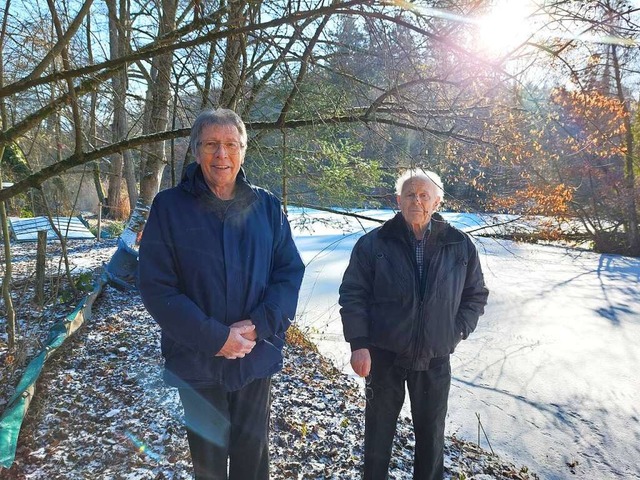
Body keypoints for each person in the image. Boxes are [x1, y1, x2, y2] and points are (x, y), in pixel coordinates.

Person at [137, 108, 305, 480]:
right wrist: (215, 337)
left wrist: (260, 326)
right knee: (208, 465)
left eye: (231, 144)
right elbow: (156, 285)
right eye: (212, 144)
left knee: (253, 461)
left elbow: (289, 273)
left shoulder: (268, 208)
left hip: (254, 356)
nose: (221, 155)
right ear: (196, 151)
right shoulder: (169, 208)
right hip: (197, 361)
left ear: (243, 151)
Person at [339, 168, 489, 480]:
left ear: (437, 202)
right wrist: (359, 344)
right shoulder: (374, 244)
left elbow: (475, 295)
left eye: (424, 195)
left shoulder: (460, 246)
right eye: (410, 194)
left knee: (432, 438)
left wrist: (456, 330)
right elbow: (353, 295)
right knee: (378, 435)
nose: (416, 201)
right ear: (398, 200)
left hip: (435, 358)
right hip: (383, 356)